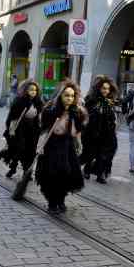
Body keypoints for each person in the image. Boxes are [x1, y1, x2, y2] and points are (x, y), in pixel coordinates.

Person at [36, 80, 86, 214]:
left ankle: (61, 199)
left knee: (67, 174)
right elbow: (43, 130)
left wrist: (79, 143)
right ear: (60, 96)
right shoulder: (50, 111)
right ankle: (52, 202)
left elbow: (78, 131)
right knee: (52, 174)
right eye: (66, 95)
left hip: (67, 146)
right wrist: (40, 146)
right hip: (52, 145)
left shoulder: (76, 112)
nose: (69, 98)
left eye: (72, 96)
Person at [4, 79, 43, 178]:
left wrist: (40, 123)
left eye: (35, 90)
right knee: (19, 149)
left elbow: (40, 116)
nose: (33, 92)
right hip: (20, 129)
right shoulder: (19, 101)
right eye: (31, 90)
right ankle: (13, 168)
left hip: (32, 130)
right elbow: (12, 116)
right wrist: (11, 129)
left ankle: (27, 171)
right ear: (26, 90)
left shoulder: (38, 102)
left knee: (30, 151)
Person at [82, 75, 118, 184]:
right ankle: (87, 169)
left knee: (104, 154)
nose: (106, 91)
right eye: (103, 88)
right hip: (92, 132)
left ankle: (100, 174)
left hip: (106, 133)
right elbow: (86, 114)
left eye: (107, 88)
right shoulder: (90, 100)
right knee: (90, 152)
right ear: (98, 88)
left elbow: (112, 117)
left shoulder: (110, 101)